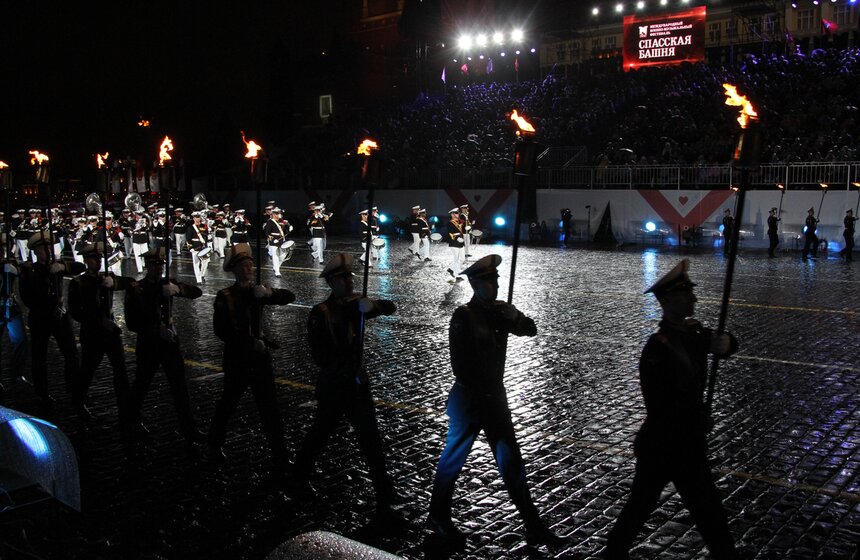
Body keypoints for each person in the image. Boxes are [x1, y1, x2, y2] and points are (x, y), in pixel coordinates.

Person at [427, 254, 565, 549]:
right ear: (475, 284)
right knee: (452, 463)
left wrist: (513, 316)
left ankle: (533, 525)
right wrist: (483, 391)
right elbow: (460, 366)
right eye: (489, 281)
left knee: (512, 464)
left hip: (495, 401)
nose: (495, 286)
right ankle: (437, 516)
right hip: (470, 401)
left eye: (496, 281)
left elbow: (530, 329)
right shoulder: (463, 316)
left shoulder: (500, 312)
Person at [604, 259, 740, 559]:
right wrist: (696, 418)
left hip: (687, 445)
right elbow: (660, 407)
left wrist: (724, 342)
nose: (693, 298)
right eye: (685, 294)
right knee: (638, 512)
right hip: (664, 448)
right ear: (668, 300)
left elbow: (729, 346)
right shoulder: (658, 348)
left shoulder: (693, 335)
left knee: (712, 518)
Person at [292, 253, 404, 509]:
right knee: (319, 435)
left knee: (370, 439)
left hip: (356, 384)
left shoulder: (356, 305)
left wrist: (372, 307)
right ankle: (298, 477)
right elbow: (319, 354)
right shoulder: (322, 312)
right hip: (334, 385)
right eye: (344, 278)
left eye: (350, 277)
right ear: (332, 282)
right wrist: (341, 369)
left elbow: (390, 307)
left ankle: (385, 491)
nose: (350, 281)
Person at [208, 243, 294, 471]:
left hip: (260, 357)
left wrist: (269, 293)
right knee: (228, 403)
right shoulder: (225, 296)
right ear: (234, 270)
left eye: (250, 265)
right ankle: (214, 444)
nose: (249, 269)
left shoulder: (258, 291)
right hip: (238, 357)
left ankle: (279, 455)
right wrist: (248, 342)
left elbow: (289, 297)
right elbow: (221, 331)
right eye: (244, 266)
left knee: (270, 408)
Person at [124, 248, 204, 443]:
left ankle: (188, 427)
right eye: (154, 264)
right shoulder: (137, 288)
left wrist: (178, 289)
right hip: (149, 344)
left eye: (161, 264)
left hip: (169, 342)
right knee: (141, 384)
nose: (158, 268)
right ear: (147, 266)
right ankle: (131, 421)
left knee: (180, 387)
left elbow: (196, 292)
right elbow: (132, 323)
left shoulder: (169, 284)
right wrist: (154, 329)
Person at [67, 242, 137, 431]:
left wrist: (114, 283)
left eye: (99, 258)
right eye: (93, 258)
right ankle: (78, 401)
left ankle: (125, 410)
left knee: (121, 372)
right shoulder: (78, 282)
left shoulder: (106, 277)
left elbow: (131, 282)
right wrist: (98, 321)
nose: (97, 262)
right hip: (92, 333)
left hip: (111, 332)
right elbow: (74, 311)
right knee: (88, 370)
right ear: (86, 260)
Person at [19, 231, 85, 402]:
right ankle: (42, 393)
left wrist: (63, 267)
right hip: (41, 317)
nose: (47, 251)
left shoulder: (57, 265)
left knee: (71, 353)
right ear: (35, 251)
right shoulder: (30, 270)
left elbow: (80, 267)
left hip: (59, 316)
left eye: (48, 247)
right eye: (42, 248)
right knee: (39, 357)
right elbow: (27, 298)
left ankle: (73, 388)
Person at [1, 257, 28, 395]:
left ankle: (16, 372)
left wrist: (14, 268)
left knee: (21, 340)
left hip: (10, 308)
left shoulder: (7, 265)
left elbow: (23, 274)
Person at [263, 207, 292, 277]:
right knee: (275, 256)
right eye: (277, 213)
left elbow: (284, 231)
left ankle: (276, 267)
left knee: (283, 255)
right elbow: (267, 233)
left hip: (281, 240)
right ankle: (277, 271)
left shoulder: (281, 221)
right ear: (273, 214)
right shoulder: (270, 222)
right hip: (274, 241)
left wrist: (289, 227)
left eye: (279, 213)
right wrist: (272, 240)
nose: (279, 214)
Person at [187, 211, 210, 283]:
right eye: (196, 217)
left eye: (198, 217)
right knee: (196, 264)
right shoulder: (190, 228)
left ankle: (202, 275)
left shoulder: (203, 226)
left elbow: (206, 236)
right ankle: (198, 279)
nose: (197, 219)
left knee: (205, 262)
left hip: (203, 247)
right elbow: (188, 238)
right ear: (193, 218)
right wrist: (190, 248)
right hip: (195, 247)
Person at [446, 208, 465, 282]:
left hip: (461, 243)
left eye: (458, 213)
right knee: (456, 260)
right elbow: (450, 234)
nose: (458, 214)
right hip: (454, 243)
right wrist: (457, 238)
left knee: (462, 259)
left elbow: (462, 230)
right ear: (452, 214)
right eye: (456, 213)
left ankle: (451, 269)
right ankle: (457, 276)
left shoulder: (459, 222)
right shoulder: (450, 223)